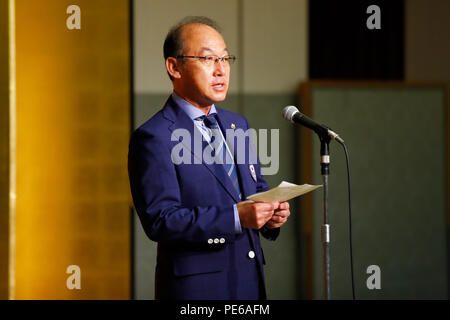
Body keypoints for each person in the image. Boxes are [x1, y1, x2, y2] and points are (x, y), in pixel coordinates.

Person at [128, 16, 290, 300]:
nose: (220, 70)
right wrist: (236, 217)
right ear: (174, 67)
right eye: (208, 59)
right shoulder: (154, 136)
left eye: (226, 59)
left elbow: (254, 190)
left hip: (249, 283)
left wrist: (270, 215)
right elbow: (161, 221)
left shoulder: (237, 124)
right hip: (197, 291)